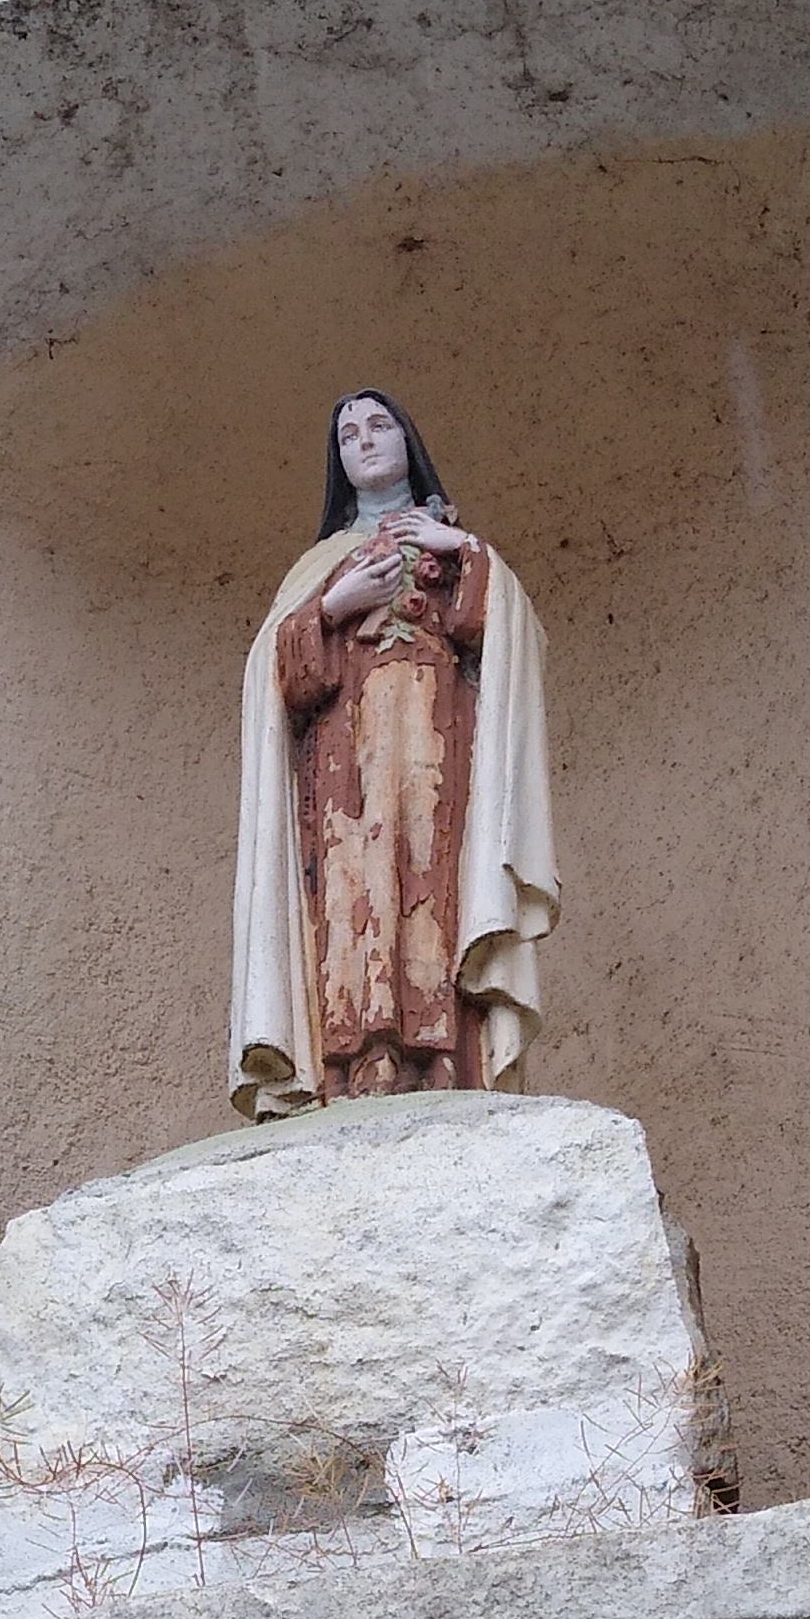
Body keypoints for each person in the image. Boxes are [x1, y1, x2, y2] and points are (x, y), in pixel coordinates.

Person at [230, 389, 557, 1117]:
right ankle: (357, 1063)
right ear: (338, 462)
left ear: (407, 440)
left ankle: (447, 1059)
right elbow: (275, 677)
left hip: (440, 739)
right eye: (348, 436)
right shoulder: (320, 565)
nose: (365, 441)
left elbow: (506, 640)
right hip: (343, 765)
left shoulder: (451, 539)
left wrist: (464, 552)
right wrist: (334, 606)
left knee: (434, 880)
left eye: (379, 426)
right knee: (355, 893)